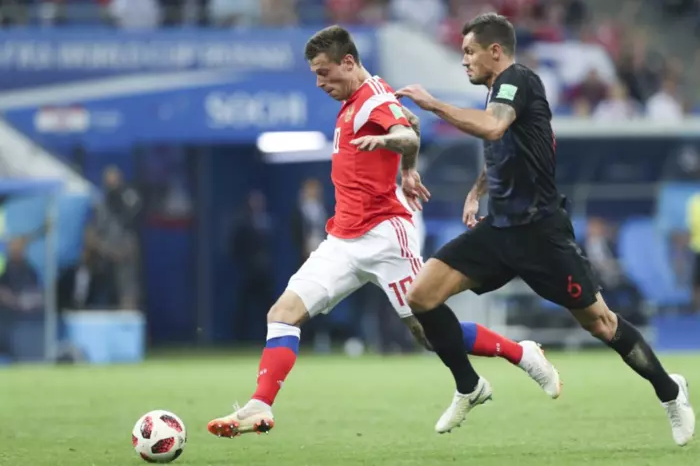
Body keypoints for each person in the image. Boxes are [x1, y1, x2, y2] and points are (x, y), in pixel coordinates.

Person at [207, 24, 559, 439]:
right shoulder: (357, 99)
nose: (319, 83)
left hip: (385, 237)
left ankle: (521, 354)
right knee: (282, 314)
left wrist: (396, 144)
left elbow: (406, 132)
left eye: (324, 73)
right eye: (315, 75)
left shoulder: (372, 97)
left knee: (428, 333)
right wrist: (407, 169)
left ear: (348, 62)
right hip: (342, 239)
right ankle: (259, 405)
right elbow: (410, 124)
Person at [396, 13, 695, 445]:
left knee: (602, 324)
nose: (464, 60)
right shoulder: (498, 93)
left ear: (495, 51)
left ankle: (670, 391)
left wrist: (432, 104)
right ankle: (469, 385)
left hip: (541, 234)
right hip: (499, 230)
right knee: (421, 296)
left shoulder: (517, 79)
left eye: (469, 51)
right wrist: (477, 191)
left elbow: (494, 128)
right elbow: (506, 149)